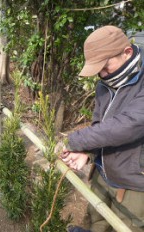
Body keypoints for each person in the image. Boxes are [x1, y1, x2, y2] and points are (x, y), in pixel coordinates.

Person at [59, 26, 144, 232]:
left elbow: (126, 126)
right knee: (96, 220)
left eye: (105, 66)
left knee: (126, 226)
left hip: (133, 182)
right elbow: (100, 124)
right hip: (102, 171)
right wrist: (87, 152)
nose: (102, 74)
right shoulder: (105, 84)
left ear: (127, 53)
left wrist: (74, 141)